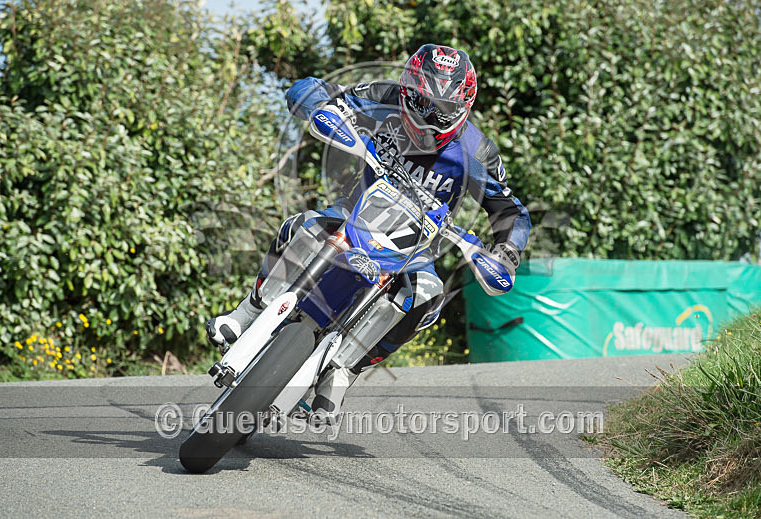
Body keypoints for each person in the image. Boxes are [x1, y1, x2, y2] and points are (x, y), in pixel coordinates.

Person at [206, 44, 531, 419]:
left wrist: (507, 252)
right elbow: (319, 93)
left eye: (444, 111)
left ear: (464, 106)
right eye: (423, 104)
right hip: (355, 211)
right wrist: (316, 104)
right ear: (407, 90)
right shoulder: (381, 97)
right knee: (302, 227)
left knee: (428, 295)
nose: (430, 119)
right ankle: (246, 314)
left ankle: (343, 370)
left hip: (416, 246)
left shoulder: (476, 150)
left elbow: (509, 210)